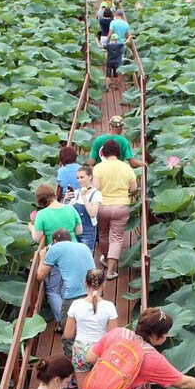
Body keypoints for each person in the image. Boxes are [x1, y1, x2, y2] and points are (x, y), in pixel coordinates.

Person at [64, 269, 118, 387]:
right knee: (101, 388)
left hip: (80, 349)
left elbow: (68, 334)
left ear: (85, 283)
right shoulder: (109, 307)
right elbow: (114, 335)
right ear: (104, 284)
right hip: (100, 350)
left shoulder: (76, 305)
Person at [91, 139, 136, 280]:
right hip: (121, 206)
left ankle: (104, 257)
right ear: (118, 153)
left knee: (103, 234)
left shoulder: (98, 168)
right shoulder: (126, 167)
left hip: (102, 206)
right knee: (116, 238)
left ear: (103, 153)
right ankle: (110, 271)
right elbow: (134, 188)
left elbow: (96, 187)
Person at [37, 230, 95, 329]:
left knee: (67, 329)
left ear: (54, 241)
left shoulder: (55, 248)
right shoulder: (83, 246)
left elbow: (40, 276)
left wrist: (42, 257)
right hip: (93, 289)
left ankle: (62, 326)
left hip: (74, 293)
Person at [71, 165, 101, 254]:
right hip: (75, 230)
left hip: (88, 231)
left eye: (82, 177)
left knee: (86, 256)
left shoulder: (96, 194)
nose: (79, 180)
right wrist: (66, 200)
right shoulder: (76, 193)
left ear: (90, 177)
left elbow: (92, 213)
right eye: (77, 178)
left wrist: (84, 197)